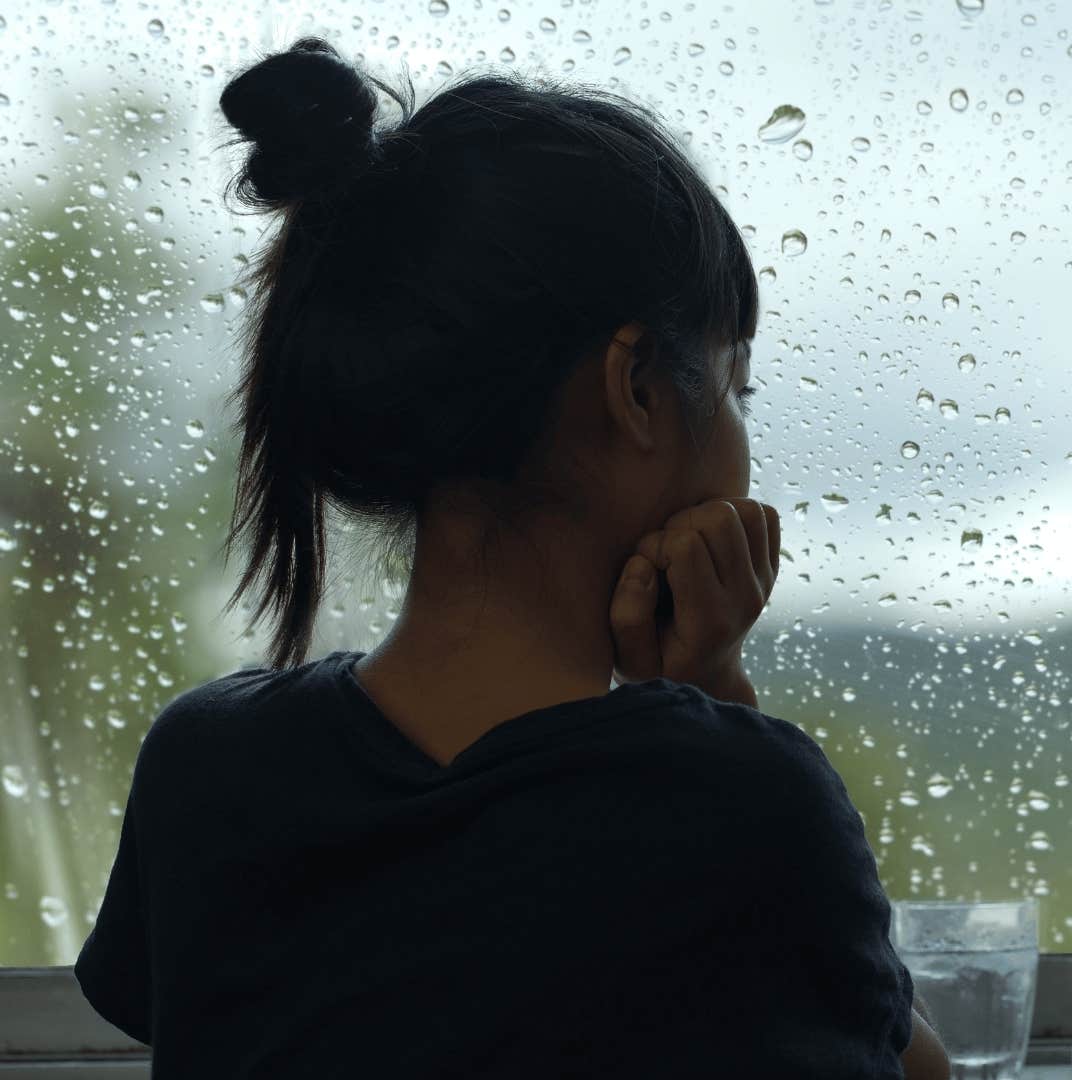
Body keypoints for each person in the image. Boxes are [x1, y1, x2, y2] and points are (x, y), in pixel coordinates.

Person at [71, 35, 950, 1080]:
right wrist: (717, 696)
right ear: (635, 388)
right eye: (733, 385)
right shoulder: (744, 804)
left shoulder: (204, 769)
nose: (743, 441)